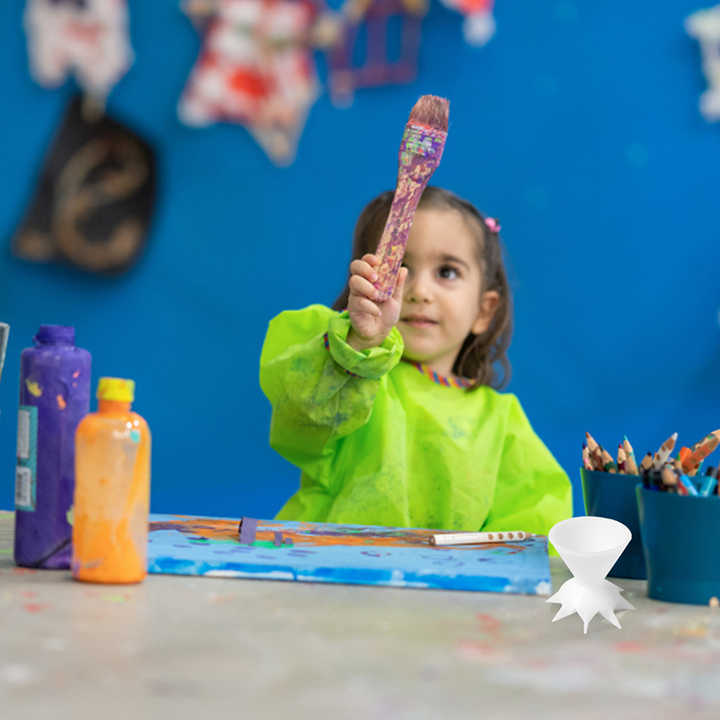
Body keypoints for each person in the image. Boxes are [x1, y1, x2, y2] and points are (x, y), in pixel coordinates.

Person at [260, 186, 572, 536]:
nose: (419, 291)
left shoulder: (501, 422)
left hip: (447, 589)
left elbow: (535, 527)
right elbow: (302, 404)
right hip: (328, 575)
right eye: (398, 267)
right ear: (361, 284)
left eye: (447, 272)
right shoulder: (350, 379)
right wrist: (358, 344)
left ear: (484, 310)